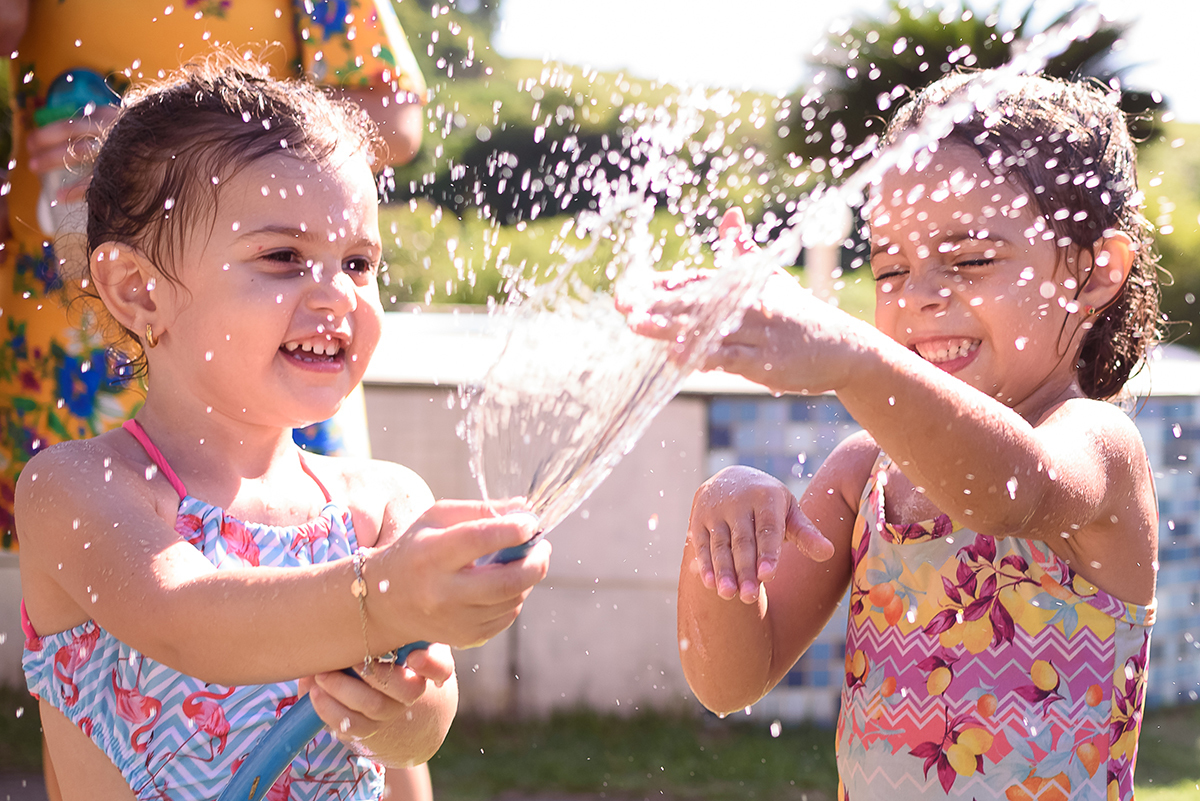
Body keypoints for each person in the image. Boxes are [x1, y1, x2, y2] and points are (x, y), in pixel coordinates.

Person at [16, 53, 551, 800]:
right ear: (138, 291)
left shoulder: (381, 507)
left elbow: (417, 740)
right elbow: (189, 620)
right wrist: (387, 597)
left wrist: (405, 714)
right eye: (284, 256)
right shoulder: (78, 489)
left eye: (359, 262)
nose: (336, 294)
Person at [641, 71, 1160, 800]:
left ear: (1095, 270)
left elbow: (1009, 491)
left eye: (972, 258)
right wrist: (721, 533)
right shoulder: (863, 476)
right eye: (890, 268)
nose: (919, 296)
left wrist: (854, 357)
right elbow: (729, 680)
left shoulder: (1097, 446)